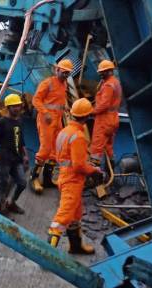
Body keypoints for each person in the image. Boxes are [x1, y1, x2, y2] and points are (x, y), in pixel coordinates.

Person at [48, 98, 103, 254]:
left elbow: (63, 159)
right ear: (87, 117)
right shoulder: (78, 136)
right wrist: (93, 170)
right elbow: (79, 165)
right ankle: (47, 253)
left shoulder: (64, 132)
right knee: (63, 217)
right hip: (72, 181)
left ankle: (76, 246)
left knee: (75, 214)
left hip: (65, 177)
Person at [30, 59, 74, 194]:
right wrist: (45, 113)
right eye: (63, 72)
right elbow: (35, 100)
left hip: (57, 120)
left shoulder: (64, 84)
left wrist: (65, 108)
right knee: (45, 149)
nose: (65, 75)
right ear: (57, 70)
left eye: (67, 73)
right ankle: (34, 179)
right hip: (46, 120)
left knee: (56, 150)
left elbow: (59, 101)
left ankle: (47, 180)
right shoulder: (47, 83)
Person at [0, 93, 29, 214]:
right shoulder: (2, 122)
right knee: (4, 183)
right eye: (14, 106)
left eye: (18, 105)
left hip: (17, 159)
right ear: (8, 107)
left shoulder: (20, 122)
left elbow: (21, 141)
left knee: (22, 183)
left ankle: (12, 203)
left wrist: (25, 155)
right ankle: (2, 205)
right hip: (5, 159)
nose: (17, 108)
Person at [90, 60, 122, 170]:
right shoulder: (115, 82)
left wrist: (91, 111)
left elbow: (104, 104)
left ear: (109, 71)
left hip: (104, 119)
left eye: (102, 72)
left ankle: (95, 177)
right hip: (113, 119)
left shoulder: (108, 85)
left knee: (96, 148)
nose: (100, 74)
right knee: (108, 147)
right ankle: (110, 173)